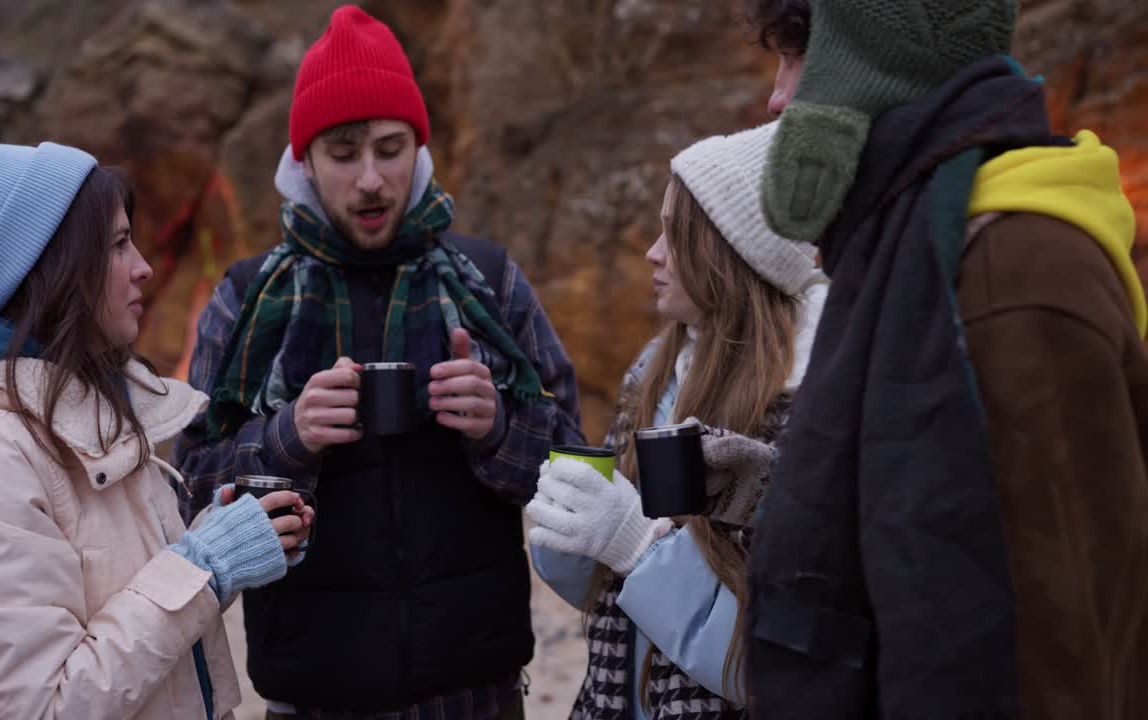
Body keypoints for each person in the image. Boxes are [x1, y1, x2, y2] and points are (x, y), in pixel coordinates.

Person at [173, 6, 584, 718]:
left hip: (475, 694)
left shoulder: (486, 279)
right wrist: (286, 436)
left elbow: (577, 469)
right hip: (315, 695)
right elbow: (188, 491)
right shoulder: (247, 298)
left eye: (390, 149)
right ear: (303, 160)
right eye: (343, 153)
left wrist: (496, 428)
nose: (370, 179)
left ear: (420, 153)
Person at [742, 1, 1148, 718]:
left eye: (797, 55)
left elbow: (1061, 652)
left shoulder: (1012, 275)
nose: (777, 96)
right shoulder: (915, 254)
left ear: (866, 58)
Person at [0, 133, 311, 720]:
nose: (144, 269)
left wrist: (224, 541)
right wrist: (204, 567)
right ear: (51, 272)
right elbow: (45, 705)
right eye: (117, 246)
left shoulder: (88, 416)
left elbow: (123, 606)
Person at [527, 122, 827, 719]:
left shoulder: (810, 401)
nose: (652, 253)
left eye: (675, 235)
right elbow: (609, 600)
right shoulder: (656, 368)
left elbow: (774, 669)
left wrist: (638, 550)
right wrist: (568, 535)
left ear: (731, 254)